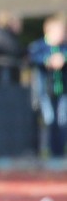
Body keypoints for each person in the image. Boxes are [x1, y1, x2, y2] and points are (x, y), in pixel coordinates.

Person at [28, 15, 67, 157]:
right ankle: (47, 150)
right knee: (48, 120)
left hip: (62, 90)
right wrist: (48, 61)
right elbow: (33, 59)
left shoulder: (63, 47)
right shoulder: (38, 46)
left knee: (63, 120)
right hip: (45, 90)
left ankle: (60, 150)